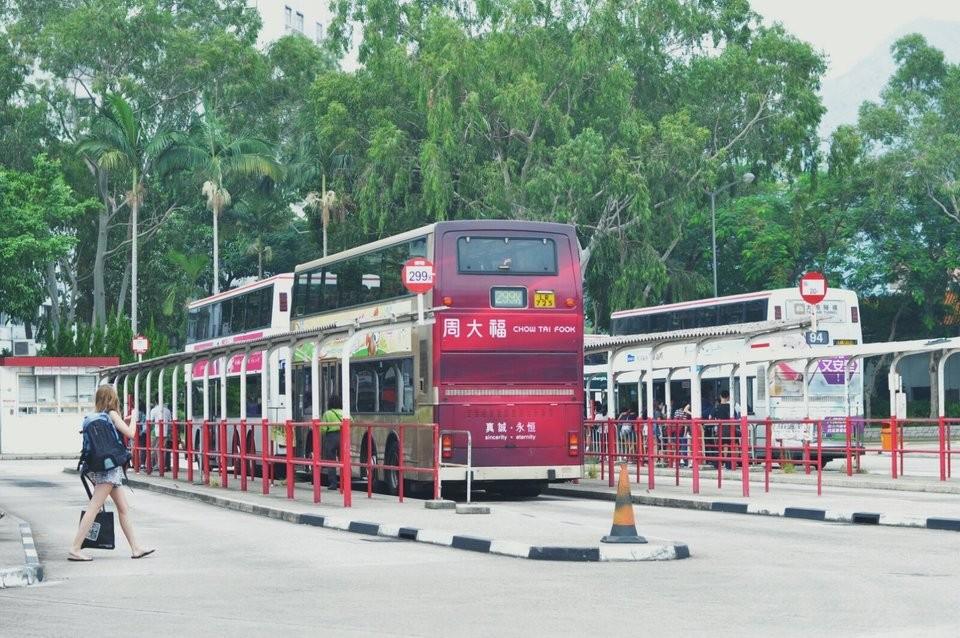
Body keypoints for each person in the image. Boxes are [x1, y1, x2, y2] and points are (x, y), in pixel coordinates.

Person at [70, 385, 154, 562]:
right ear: (111, 397)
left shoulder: (100, 416)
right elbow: (130, 433)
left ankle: (135, 548)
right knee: (94, 507)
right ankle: (75, 548)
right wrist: (135, 419)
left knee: (123, 508)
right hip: (109, 470)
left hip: (105, 468)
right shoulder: (112, 414)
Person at [320, 395, 344, 490]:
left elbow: (323, 429)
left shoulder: (327, 414)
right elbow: (351, 421)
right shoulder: (344, 412)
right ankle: (344, 482)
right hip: (343, 436)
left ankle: (333, 483)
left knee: (331, 461)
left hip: (331, 437)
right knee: (343, 460)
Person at [149, 400, 172, 471]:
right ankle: (162, 465)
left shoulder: (154, 410)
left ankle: (151, 465)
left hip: (155, 432)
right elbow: (170, 421)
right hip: (165, 432)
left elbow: (151, 420)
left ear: (155, 401)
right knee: (163, 449)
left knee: (153, 449)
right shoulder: (167, 411)